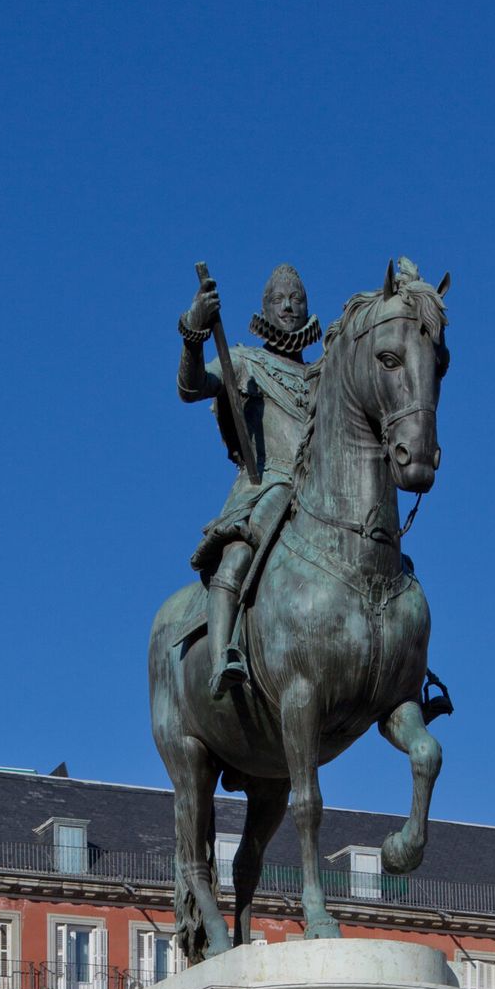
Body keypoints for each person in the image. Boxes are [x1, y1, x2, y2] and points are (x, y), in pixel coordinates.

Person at [177, 263, 322, 698]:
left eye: (297, 298)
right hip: (265, 486)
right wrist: (192, 330)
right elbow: (191, 386)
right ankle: (224, 654)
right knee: (239, 552)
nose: (289, 305)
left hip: (318, 492)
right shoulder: (243, 361)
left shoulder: (323, 376)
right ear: (264, 308)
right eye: (280, 299)